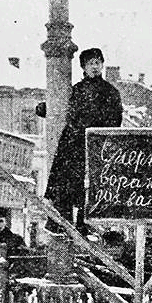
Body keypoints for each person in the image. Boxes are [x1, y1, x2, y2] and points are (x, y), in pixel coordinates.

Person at [43, 47, 123, 231]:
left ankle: (84, 224)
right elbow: (61, 109)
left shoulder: (110, 93)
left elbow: (115, 121)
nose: (94, 66)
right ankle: (60, 222)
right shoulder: (76, 90)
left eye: (97, 62)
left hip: (96, 144)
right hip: (73, 144)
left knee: (90, 185)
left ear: (102, 64)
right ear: (83, 67)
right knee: (65, 182)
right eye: (90, 63)